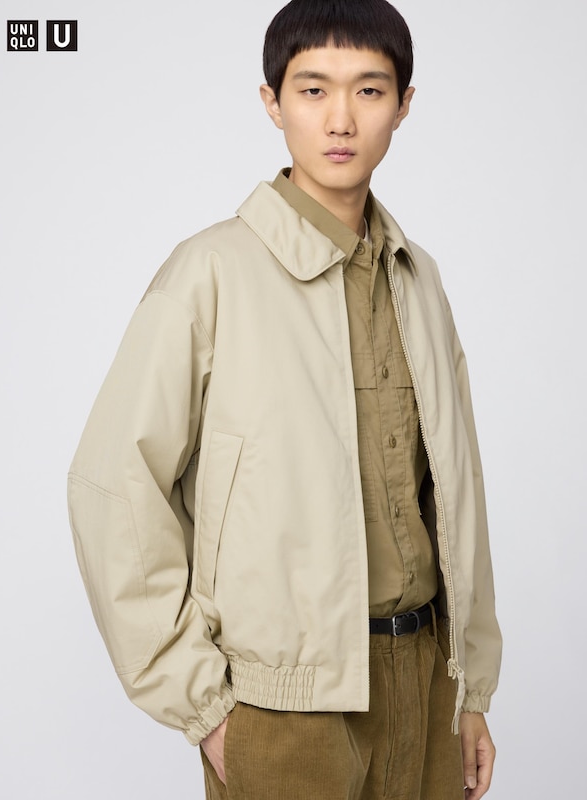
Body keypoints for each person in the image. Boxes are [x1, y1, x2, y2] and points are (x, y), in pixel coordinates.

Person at [68, 1, 502, 798]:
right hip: (283, 708)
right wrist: (204, 707)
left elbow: (455, 488)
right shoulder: (209, 273)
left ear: (404, 104)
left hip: (426, 679)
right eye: (312, 90)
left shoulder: (420, 279)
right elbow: (112, 487)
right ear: (272, 102)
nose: (340, 119)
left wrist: (470, 689)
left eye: (369, 90)